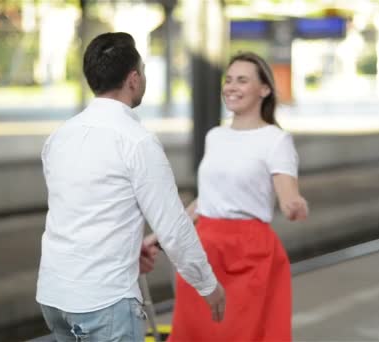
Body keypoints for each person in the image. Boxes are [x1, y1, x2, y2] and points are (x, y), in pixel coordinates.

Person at [35, 32, 225, 342]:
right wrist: (207, 285)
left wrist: (127, 248)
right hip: (104, 301)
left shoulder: (59, 138)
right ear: (133, 79)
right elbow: (173, 227)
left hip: (55, 297)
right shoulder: (137, 141)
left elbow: (81, 211)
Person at [167, 52, 309, 341]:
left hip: (250, 253)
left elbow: (288, 196)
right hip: (203, 251)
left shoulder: (276, 140)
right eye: (228, 80)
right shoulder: (215, 136)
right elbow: (207, 199)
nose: (231, 87)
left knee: (240, 333)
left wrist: (295, 206)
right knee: (195, 332)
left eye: (242, 80)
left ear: (264, 90)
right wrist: (164, 234)